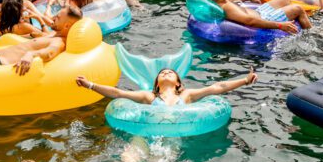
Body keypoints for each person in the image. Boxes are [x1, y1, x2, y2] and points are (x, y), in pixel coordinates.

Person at [76, 62, 257, 107]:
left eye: (170, 72)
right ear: (156, 83)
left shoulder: (186, 95)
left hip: (171, 133)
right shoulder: (149, 96)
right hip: (148, 133)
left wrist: (244, 80)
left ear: (178, 82)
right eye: (162, 73)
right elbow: (117, 93)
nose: (166, 72)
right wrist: (89, 85)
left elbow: (217, 87)